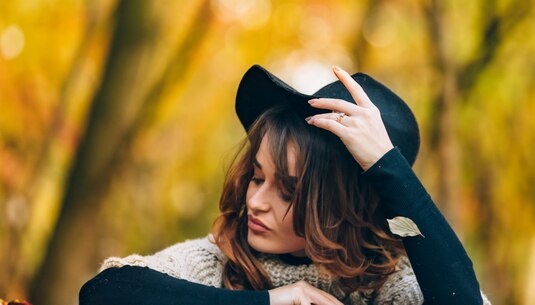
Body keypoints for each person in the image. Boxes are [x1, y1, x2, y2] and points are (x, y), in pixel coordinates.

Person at [79, 64, 491, 305]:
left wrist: (387, 167)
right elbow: (105, 293)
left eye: (290, 191)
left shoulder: (391, 285)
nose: (255, 201)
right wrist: (269, 303)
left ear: (346, 209)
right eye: (257, 177)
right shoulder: (222, 261)